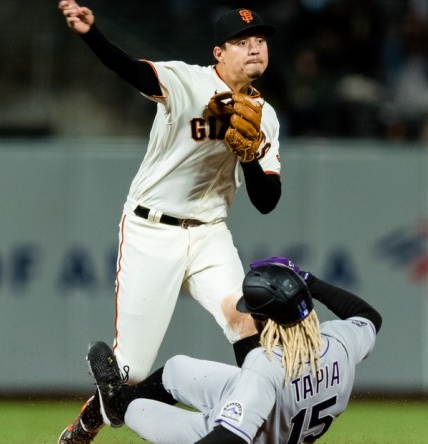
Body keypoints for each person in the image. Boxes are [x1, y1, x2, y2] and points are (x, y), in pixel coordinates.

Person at [56, 3, 283, 443]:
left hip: (209, 234)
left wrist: (252, 155)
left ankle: (254, 423)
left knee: (246, 321)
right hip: (151, 229)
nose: (254, 48)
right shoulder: (188, 81)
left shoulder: (265, 117)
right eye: (242, 42)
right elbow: (133, 72)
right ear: (219, 53)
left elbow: (267, 200)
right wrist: (91, 34)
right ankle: (87, 424)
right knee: (132, 370)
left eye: (260, 40)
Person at [85, 258, 382, 443]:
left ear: (266, 322)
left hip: (248, 434)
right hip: (280, 414)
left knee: (136, 409)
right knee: (177, 369)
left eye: (253, 313)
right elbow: (369, 316)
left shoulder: (265, 366)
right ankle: (115, 403)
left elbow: (229, 437)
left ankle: (117, 403)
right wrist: (308, 282)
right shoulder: (339, 341)